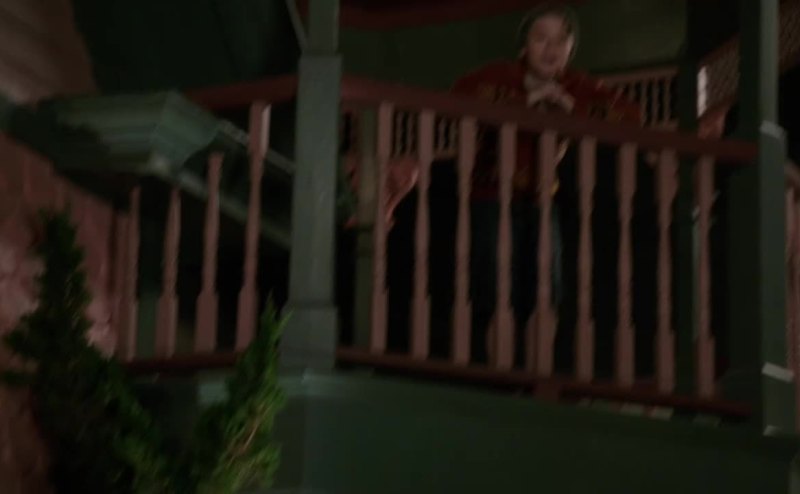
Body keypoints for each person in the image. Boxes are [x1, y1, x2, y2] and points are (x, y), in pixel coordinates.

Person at [449, 3, 641, 365]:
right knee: (499, 293)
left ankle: (538, 377)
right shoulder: (503, 75)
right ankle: (503, 379)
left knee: (546, 294)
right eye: (541, 39)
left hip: (542, 200)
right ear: (524, 46)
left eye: (561, 40)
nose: (551, 49)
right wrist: (527, 101)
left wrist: (570, 107)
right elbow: (460, 93)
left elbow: (630, 115)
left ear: (571, 48)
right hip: (493, 196)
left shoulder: (576, 85)